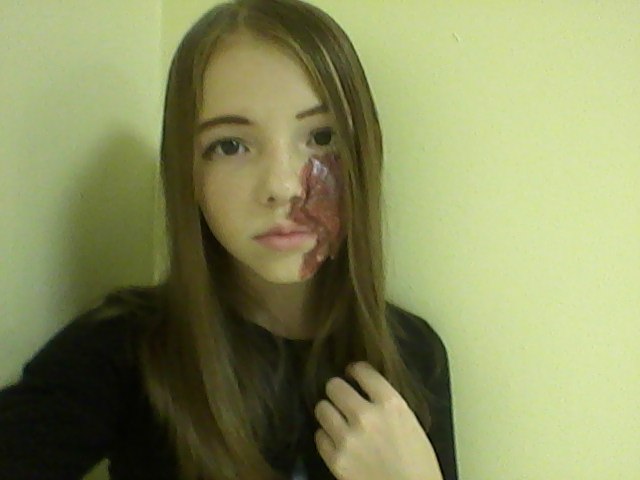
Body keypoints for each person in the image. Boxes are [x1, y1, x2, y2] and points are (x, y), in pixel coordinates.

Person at [0, 0, 458, 479]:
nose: (283, 186)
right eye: (231, 145)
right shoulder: (125, 350)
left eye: (322, 137)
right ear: (189, 173)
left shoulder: (412, 354)